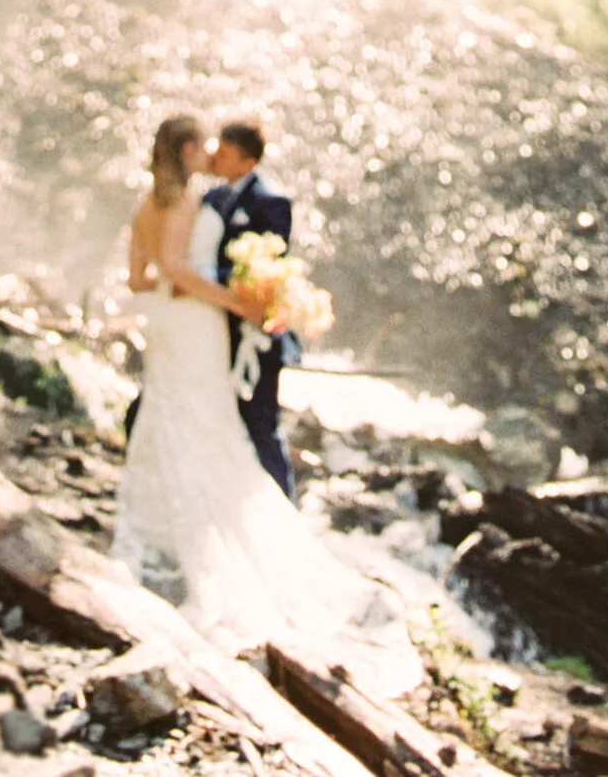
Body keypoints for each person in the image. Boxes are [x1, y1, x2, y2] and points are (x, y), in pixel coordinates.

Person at [112, 113, 400, 673]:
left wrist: (178, 298)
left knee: (176, 417)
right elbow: (175, 264)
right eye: (205, 145)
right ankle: (211, 534)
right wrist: (226, 300)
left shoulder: (150, 203)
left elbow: (140, 279)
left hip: (178, 323)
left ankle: (163, 523)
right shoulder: (186, 201)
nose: (211, 154)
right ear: (189, 150)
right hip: (197, 323)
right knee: (202, 420)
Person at [205, 118, 297, 494]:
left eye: (223, 153)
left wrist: (204, 277)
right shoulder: (209, 199)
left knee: (261, 425)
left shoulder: (272, 202)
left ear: (246, 162)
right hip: (211, 327)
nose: (215, 158)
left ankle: (283, 506)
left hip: (255, 331)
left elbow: (270, 268)